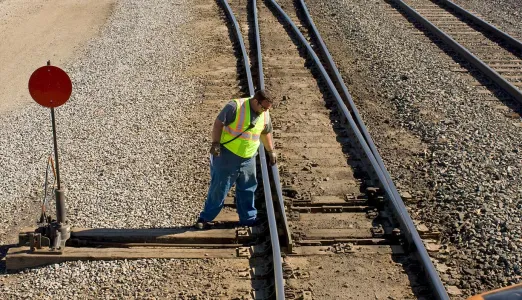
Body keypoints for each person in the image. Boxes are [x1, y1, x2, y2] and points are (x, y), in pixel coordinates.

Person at [195, 89, 277, 229]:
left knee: (248, 188)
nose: (264, 111)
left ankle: (248, 219)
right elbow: (218, 123)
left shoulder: (264, 113)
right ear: (255, 101)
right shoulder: (235, 107)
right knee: (219, 187)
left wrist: (271, 151)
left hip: (249, 157)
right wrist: (215, 143)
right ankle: (205, 218)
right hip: (228, 154)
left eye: (267, 108)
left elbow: (265, 132)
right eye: (263, 107)